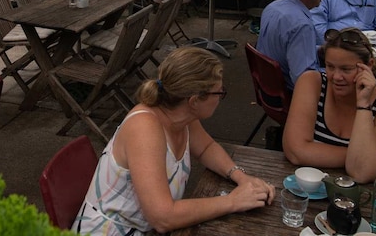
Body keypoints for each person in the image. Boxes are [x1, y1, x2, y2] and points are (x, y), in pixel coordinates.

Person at [73, 47, 275, 235]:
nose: (221, 96)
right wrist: (233, 201)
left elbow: (206, 148)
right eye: (219, 92)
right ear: (194, 101)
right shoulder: (145, 128)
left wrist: (241, 177)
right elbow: (163, 217)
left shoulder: (181, 115)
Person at [283, 27, 376, 183]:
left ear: (368, 66)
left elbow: (364, 174)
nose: (336, 77)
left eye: (346, 69)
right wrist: (363, 159)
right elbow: (295, 152)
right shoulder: (312, 83)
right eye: (330, 66)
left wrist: (363, 104)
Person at [257, 0, 330, 91]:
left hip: (269, 89)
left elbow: (286, 49)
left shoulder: (272, 7)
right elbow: (304, 79)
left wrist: (318, 49)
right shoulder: (301, 25)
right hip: (290, 95)